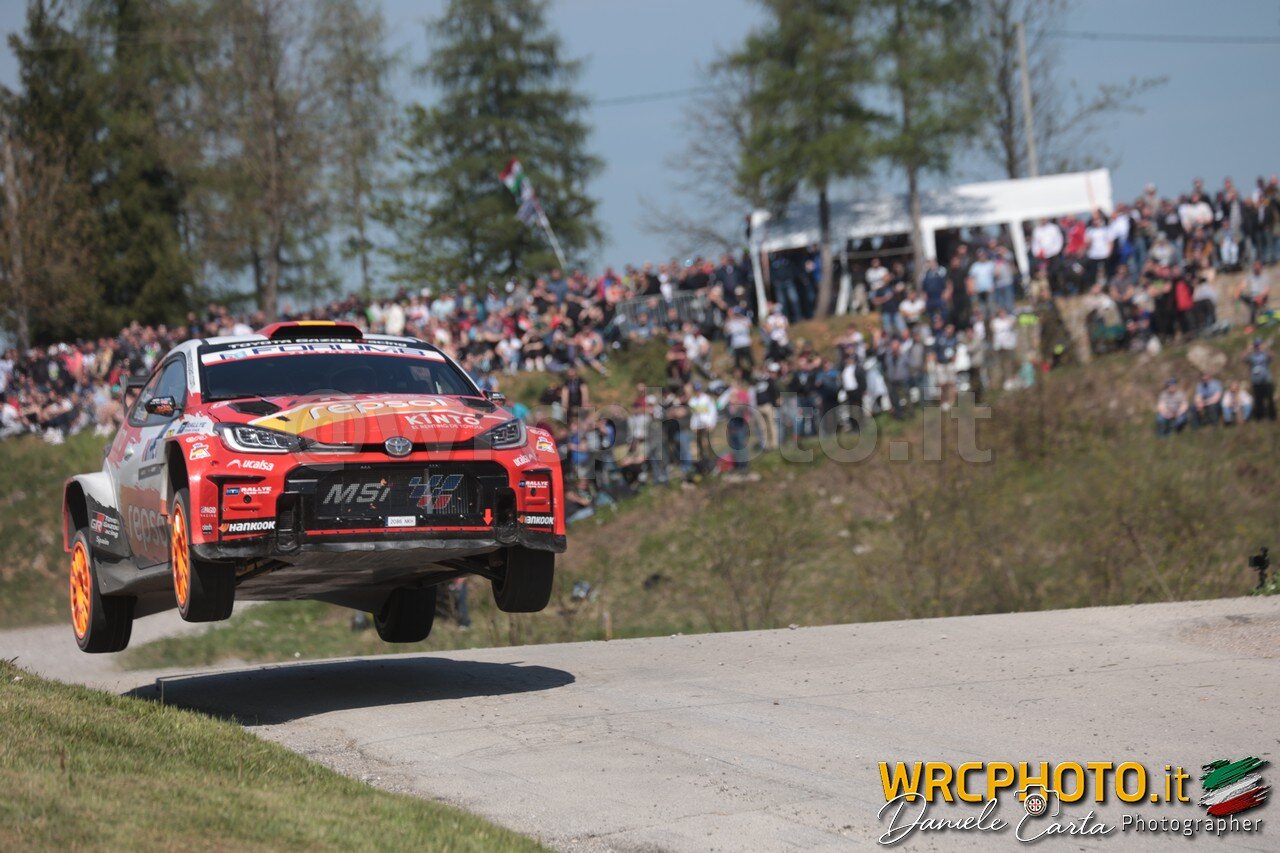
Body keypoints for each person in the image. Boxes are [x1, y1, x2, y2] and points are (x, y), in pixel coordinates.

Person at [1245, 338, 1276, 421]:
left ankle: (1272, 416)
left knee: (1270, 399)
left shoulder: (1265, 354)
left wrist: (1267, 348)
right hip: (1256, 381)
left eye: (1259, 345)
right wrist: (1247, 350)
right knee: (1258, 400)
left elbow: (1272, 357)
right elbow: (1243, 359)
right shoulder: (1251, 356)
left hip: (1266, 380)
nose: (1258, 347)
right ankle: (1259, 417)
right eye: (1256, 345)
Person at [1237, 260, 1270, 327]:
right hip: (1252, 296)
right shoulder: (1250, 276)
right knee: (1241, 296)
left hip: (1262, 296)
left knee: (1253, 305)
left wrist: (1261, 297)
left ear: (1261, 267)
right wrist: (1238, 290)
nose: (1256, 268)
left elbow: (1267, 290)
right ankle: (1255, 321)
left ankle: (1252, 324)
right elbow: (1243, 285)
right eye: (1255, 267)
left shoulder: (1265, 277)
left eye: (1258, 267)